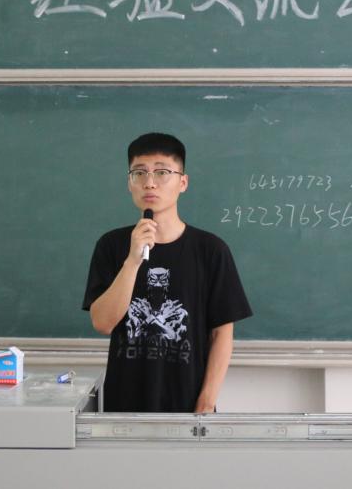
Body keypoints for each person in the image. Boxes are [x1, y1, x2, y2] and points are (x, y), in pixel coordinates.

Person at [82, 132, 252, 413]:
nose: (149, 182)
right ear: (129, 183)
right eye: (139, 173)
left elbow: (222, 334)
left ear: (182, 182)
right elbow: (102, 323)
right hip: (123, 405)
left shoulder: (211, 250)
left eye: (162, 172)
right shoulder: (112, 245)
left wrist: (206, 402)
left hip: (188, 405)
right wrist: (132, 261)